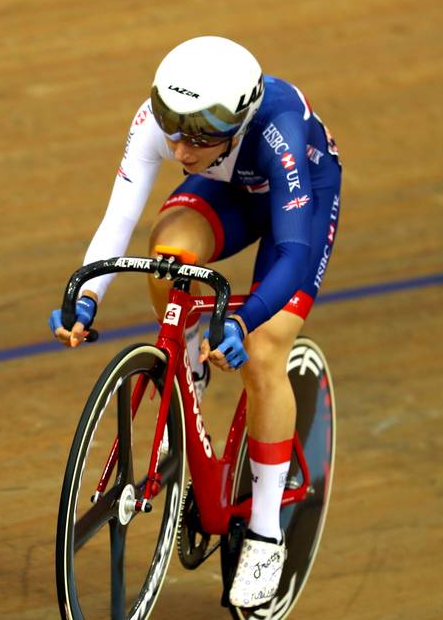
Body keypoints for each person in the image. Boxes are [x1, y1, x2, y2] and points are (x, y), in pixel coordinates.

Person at [49, 36, 341, 608]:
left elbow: (292, 256)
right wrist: (85, 296)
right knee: (169, 260)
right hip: (228, 186)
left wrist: (246, 318)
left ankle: (263, 532)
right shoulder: (168, 126)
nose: (180, 149)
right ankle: (188, 380)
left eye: (199, 136)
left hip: (299, 198)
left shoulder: (276, 128)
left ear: (237, 121)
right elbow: (119, 220)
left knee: (262, 352)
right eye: (173, 131)